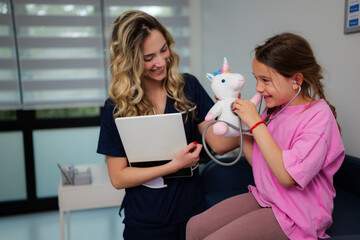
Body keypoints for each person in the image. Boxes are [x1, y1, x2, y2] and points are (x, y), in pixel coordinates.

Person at [186, 32, 345, 240]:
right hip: (268, 198)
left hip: (297, 214)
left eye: (265, 80)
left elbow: (287, 177)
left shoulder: (318, 118)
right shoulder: (274, 110)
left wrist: (255, 123)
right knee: (195, 227)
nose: (259, 88)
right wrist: (237, 120)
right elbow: (260, 162)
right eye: (256, 79)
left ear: (296, 80)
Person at [97, 10, 238, 240]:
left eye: (164, 50)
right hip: (144, 223)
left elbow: (219, 145)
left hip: (192, 217)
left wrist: (251, 123)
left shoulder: (188, 87)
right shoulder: (116, 107)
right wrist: (173, 166)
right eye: (149, 57)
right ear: (130, 60)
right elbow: (118, 177)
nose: (161, 62)